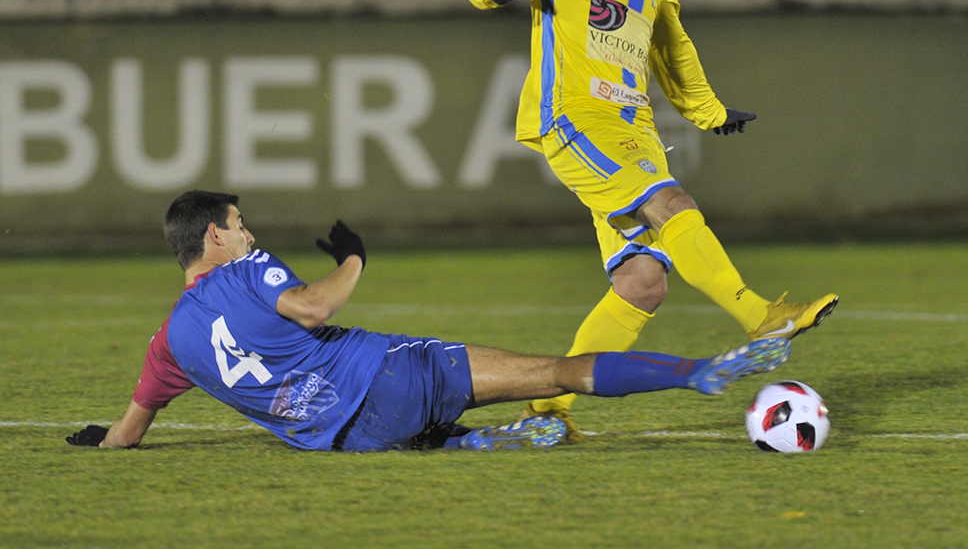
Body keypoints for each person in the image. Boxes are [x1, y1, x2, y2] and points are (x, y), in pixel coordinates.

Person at [462, 0, 837, 441]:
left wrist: (710, 112)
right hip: (574, 117)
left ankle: (545, 418)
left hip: (632, 126)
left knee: (642, 284)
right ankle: (762, 317)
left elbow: (671, 49)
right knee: (673, 205)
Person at [66, 190, 790, 453]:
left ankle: (464, 445)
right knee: (553, 372)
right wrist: (352, 259)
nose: (249, 234)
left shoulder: (169, 345)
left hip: (349, 441)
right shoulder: (246, 271)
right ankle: (704, 373)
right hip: (387, 377)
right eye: (239, 224)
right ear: (213, 240)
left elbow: (128, 433)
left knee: (408, 424)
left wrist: (105, 439)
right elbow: (315, 307)